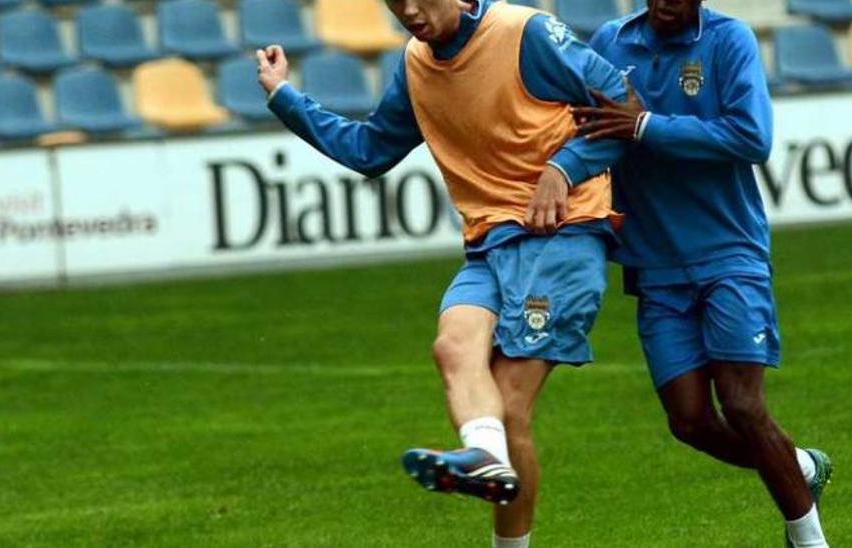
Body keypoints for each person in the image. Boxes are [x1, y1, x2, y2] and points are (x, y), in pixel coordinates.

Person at [255, 1, 627, 545]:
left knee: (511, 409)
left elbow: (625, 107)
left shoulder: (525, 33)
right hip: (488, 244)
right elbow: (369, 149)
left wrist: (563, 168)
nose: (408, 11)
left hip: (561, 237)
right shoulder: (414, 63)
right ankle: (482, 454)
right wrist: (283, 96)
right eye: (394, 0)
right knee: (453, 348)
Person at [573, 1, 832, 546]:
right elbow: (580, 120)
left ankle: (809, 538)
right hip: (655, 263)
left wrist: (644, 125)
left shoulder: (728, 41)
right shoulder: (611, 44)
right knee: (688, 422)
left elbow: (751, 137)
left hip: (728, 251)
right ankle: (802, 467)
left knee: (741, 405)